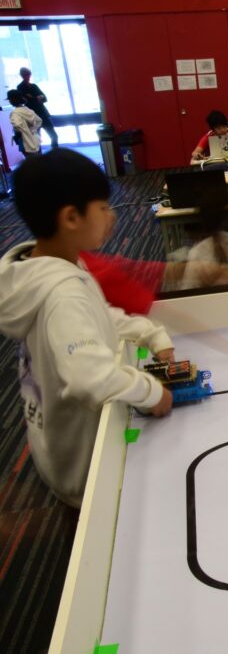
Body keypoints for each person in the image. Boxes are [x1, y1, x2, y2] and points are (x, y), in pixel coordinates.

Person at [0, 150, 175, 507]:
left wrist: (148, 332)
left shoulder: (50, 267)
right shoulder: (61, 293)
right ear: (70, 217)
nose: (112, 217)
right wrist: (152, 393)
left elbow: (98, 314)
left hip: (59, 436)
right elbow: (89, 376)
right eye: (104, 208)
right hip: (85, 464)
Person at [16, 67, 57, 149]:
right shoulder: (20, 87)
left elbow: (44, 98)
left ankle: (55, 152)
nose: (27, 77)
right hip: (33, 116)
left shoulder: (34, 86)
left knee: (53, 135)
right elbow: (29, 100)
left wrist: (38, 97)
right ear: (22, 76)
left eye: (28, 75)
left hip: (42, 114)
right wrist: (37, 97)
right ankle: (39, 157)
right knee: (37, 138)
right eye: (25, 75)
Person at [6, 89, 43, 158]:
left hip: (25, 142)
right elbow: (39, 121)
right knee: (40, 163)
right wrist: (32, 130)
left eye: (10, 99)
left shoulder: (15, 113)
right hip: (35, 139)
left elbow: (17, 126)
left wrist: (20, 131)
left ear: (12, 100)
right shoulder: (28, 110)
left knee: (32, 165)